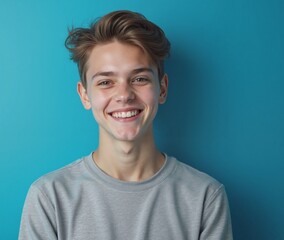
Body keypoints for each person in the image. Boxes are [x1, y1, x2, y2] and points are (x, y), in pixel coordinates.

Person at [19, 10, 233, 240]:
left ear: (162, 88)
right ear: (84, 95)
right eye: (106, 82)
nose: (124, 95)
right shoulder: (49, 197)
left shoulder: (205, 196)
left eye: (139, 79)